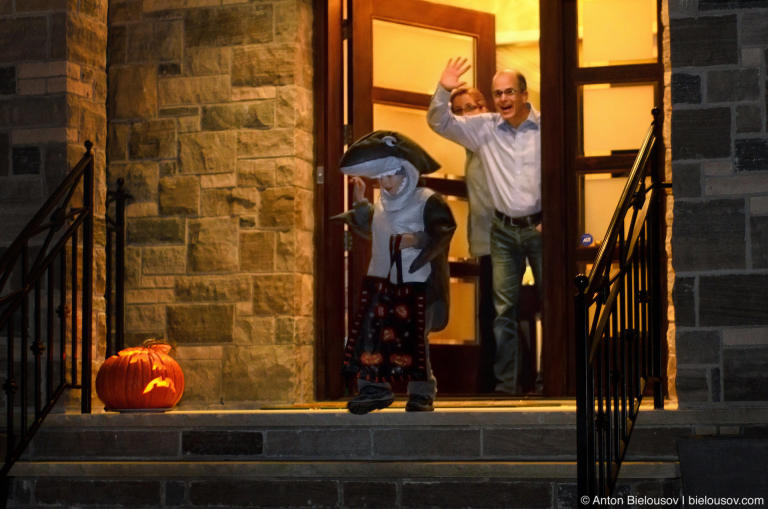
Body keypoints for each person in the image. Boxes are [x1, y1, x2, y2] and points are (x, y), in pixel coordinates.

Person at [427, 57, 543, 395]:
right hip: (499, 234)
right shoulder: (483, 131)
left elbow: (559, 172)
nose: (503, 99)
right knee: (502, 313)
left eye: (509, 92)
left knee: (550, 307)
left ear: (524, 94)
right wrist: (443, 88)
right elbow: (439, 121)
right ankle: (506, 386)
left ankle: (552, 380)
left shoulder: (545, 126)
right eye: (498, 94)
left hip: (538, 228)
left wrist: (550, 218)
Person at [333, 130, 456, 414]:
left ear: (406, 172)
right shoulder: (382, 205)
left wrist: (420, 239)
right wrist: (360, 203)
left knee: (414, 338)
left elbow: (442, 230)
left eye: (392, 176)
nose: (386, 184)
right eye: (382, 178)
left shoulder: (427, 200)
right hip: (383, 282)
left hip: (417, 283)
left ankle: (422, 392)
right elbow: (375, 230)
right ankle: (374, 389)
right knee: (373, 336)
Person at [449, 87, 496, 391]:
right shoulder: (471, 142)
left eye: (471, 108)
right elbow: (438, 120)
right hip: (486, 240)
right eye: (460, 110)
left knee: (500, 313)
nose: (467, 115)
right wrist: (443, 92)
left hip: (507, 238)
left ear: (484, 108)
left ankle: (502, 384)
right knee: (490, 313)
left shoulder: (496, 139)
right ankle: (492, 382)